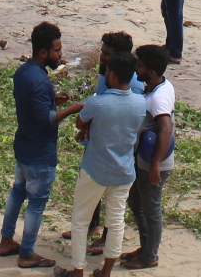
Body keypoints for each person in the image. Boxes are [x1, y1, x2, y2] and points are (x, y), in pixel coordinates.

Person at [0, 22, 84, 269]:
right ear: (44, 52)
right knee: (36, 203)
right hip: (40, 152)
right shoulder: (40, 80)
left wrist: (52, 100)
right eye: (57, 50)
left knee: (18, 192)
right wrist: (71, 109)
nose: (60, 55)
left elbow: (31, 104)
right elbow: (44, 119)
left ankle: (6, 241)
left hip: (24, 146)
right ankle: (27, 254)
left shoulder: (24, 72)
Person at [57, 50, 145, 277]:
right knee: (116, 223)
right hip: (124, 171)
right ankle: (105, 272)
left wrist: (88, 124)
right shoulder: (140, 102)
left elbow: (80, 123)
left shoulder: (98, 102)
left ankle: (78, 270)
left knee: (80, 221)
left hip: (95, 170)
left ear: (112, 75)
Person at [121, 44, 178, 270]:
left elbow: (166, 128)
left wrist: (155, 164)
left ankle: (150, 256)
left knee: (151, 210)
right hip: (146, 160)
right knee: (136, 201)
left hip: (153, 163)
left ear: (151, 72)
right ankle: (146, 248)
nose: (136, 69)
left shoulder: (158, 98)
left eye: (140, 66)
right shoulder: (159, 86)